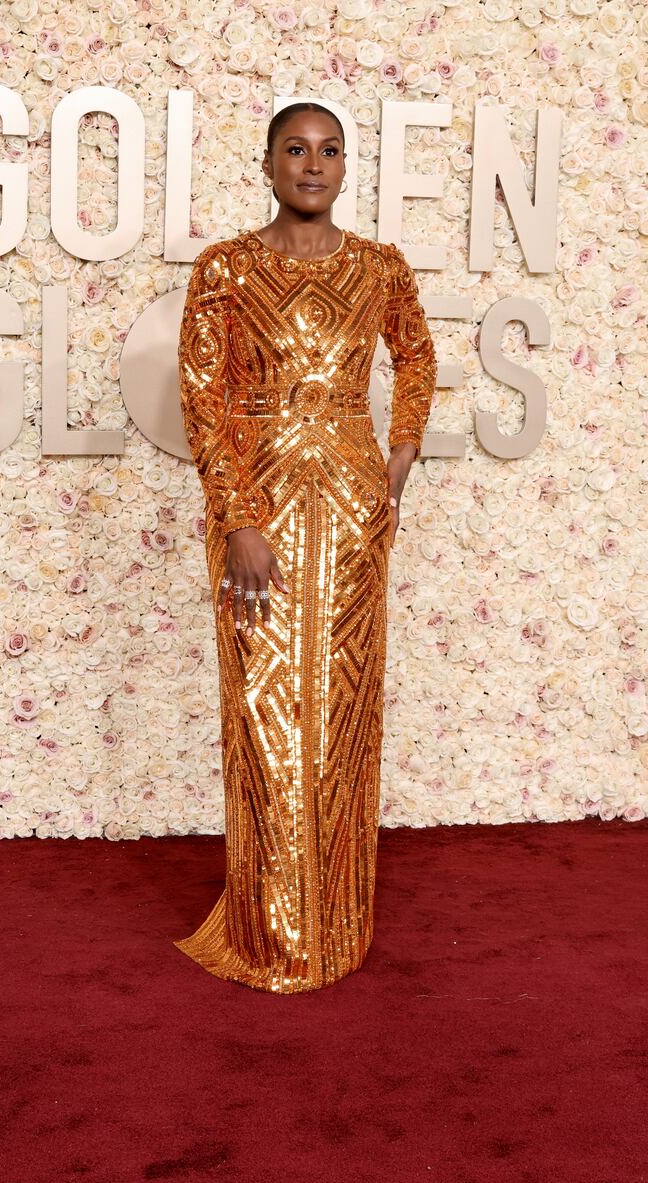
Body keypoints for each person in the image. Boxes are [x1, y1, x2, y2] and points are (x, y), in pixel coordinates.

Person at [173, 102, 437, 993]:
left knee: (345, 712)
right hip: (260, 513)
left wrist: (394, 465)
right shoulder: (225, 269)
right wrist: (238, 520)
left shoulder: (380, 268)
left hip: (356, 515)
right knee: (264, 713)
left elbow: (419, 360)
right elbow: (204, 400)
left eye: (328, 151)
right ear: (267, 164)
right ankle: (267, 928)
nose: (312, 165)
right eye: (296, 149)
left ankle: (336, 923)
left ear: (345, 167)